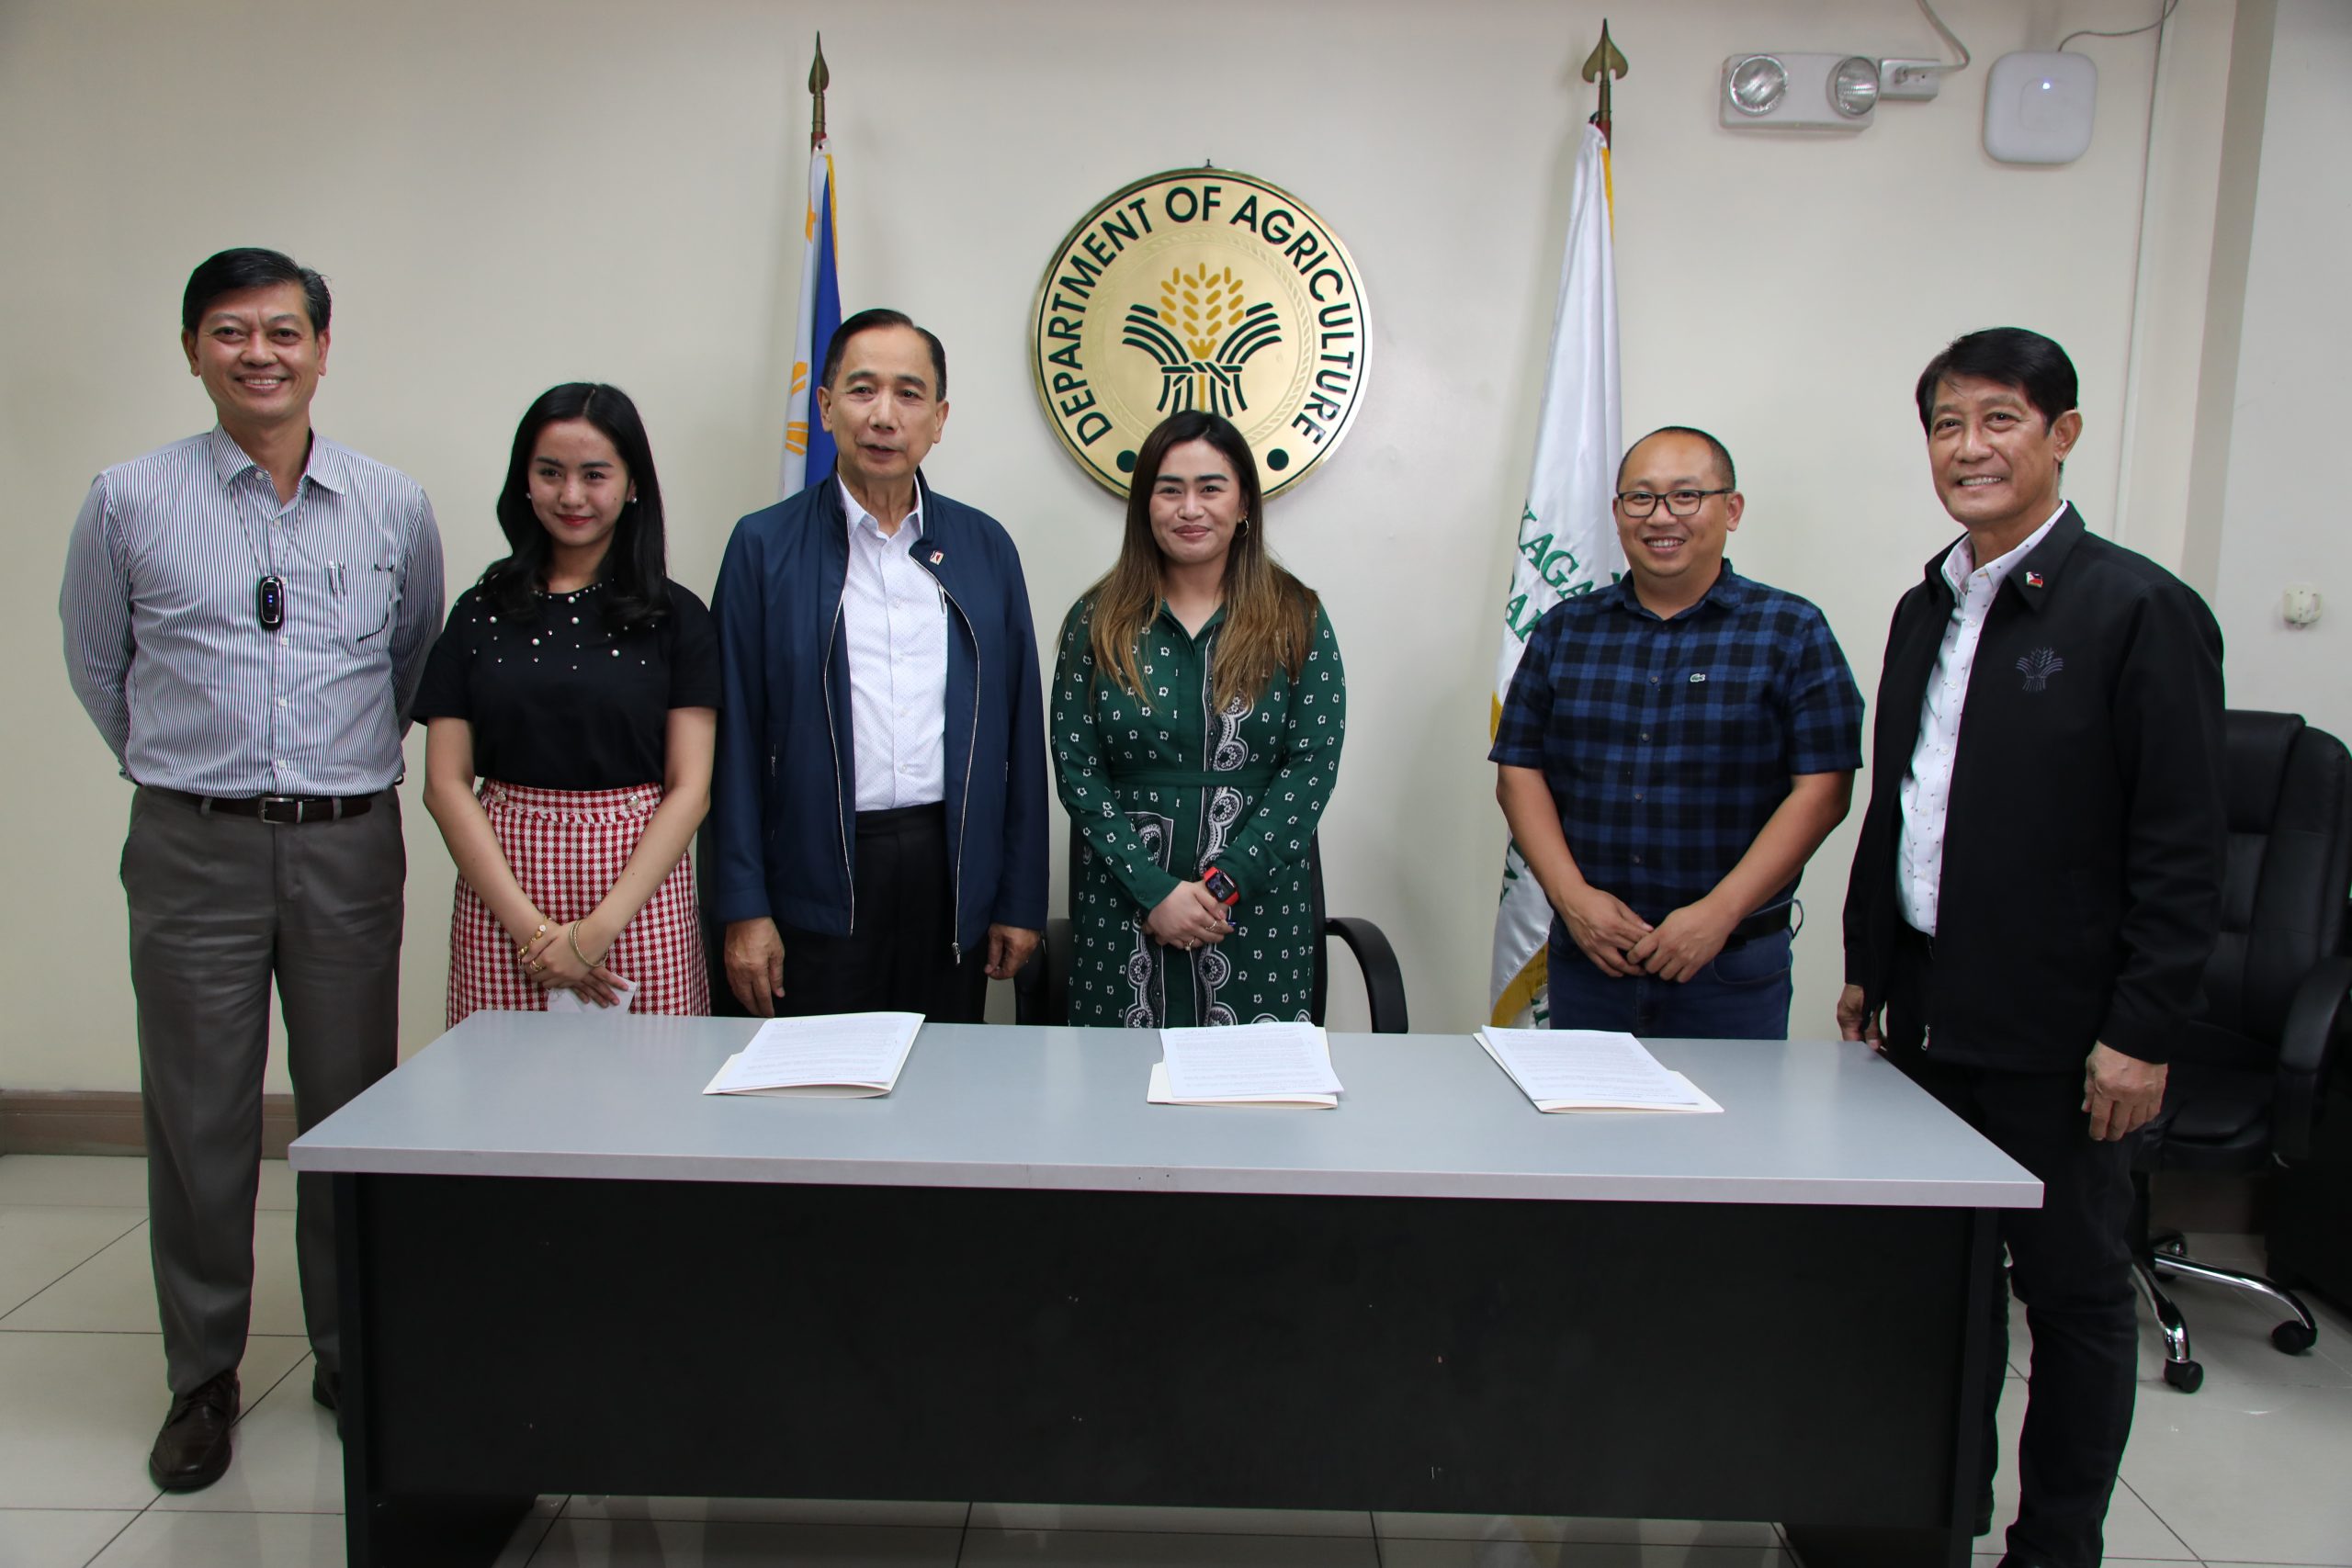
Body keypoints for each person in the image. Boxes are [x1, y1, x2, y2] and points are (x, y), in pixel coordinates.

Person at [1839, 328, 2225, 1568]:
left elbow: (2181, 848)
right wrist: (1867, 962)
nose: (1970, 448)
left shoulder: (2141, 610)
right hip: (1928, 1011)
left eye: (1999, 419)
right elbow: (1903, 804)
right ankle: (1917, 1523)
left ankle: (2055, 1544)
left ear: (2061, 433)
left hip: (2066, 1037)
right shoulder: (1927, 603)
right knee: (1922, 1295)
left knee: (2070, 1299)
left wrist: (2142, 1032)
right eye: (1947, 425)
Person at [59, 247, 444, 1489]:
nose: (261, 353)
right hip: (192, 840)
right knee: (198, 1116)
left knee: (347, 1108)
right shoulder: (130, 498)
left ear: (324, 350)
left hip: (345, 838)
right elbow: (97, 663)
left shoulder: (388, 503)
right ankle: (203, 1374)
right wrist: (195, 770)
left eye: (285, 331)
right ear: (192, 350)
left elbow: (411, 655)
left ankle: (349, 1350)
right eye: (233, 332)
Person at [709, 308, 1046, 1020]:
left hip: (949, 869)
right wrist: (743, 907)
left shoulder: (985, 548)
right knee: (818, 1100)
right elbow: (732, 739)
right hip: (815, 869)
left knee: (942, 1092)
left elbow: (1020, 736)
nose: (885, 416)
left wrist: (1020, 899)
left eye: (909, 393)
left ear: (940, 416)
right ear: (826, 407)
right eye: (862, 391)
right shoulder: (763, 547)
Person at [1489, 426, 1861, 1038]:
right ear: (1617, 513)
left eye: (1686, 496)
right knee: (1586, 1131)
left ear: (1731, 508)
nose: (1662, 516)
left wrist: (1718, 913)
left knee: (1730, 1133)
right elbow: (1518, 771)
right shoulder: (1564, 631)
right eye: (1641, 498)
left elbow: (1824, 791)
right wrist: (1573, 899)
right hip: (1592, 961)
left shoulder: (1791, 630)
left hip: (1730, 965)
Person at [414, 384, 718, 1024]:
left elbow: (690, 789)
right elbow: (445, 785)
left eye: (594, 474)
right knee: (501, 1102)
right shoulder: (480, 611)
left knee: (647, 1099)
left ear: (633, 483)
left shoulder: (678, 617)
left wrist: (594, 933)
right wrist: (532, 931)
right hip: (505, 899)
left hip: (637, 899)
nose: (571, 495)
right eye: (550, 473)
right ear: (524, 481)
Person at [1049, 410, 1346, 1027]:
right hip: (1123, 905)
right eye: (1169, 489)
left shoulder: (1297, 616)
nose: (1190, 508)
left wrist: (1221, 888)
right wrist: (1155, 891)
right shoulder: (1094, 620)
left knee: (1253, 1105)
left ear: (1243, 505)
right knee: (1120, 1104)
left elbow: (1311, 768)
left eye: (1210, 488)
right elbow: (1077, 770)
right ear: (1145, 505)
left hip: (1255, 913)